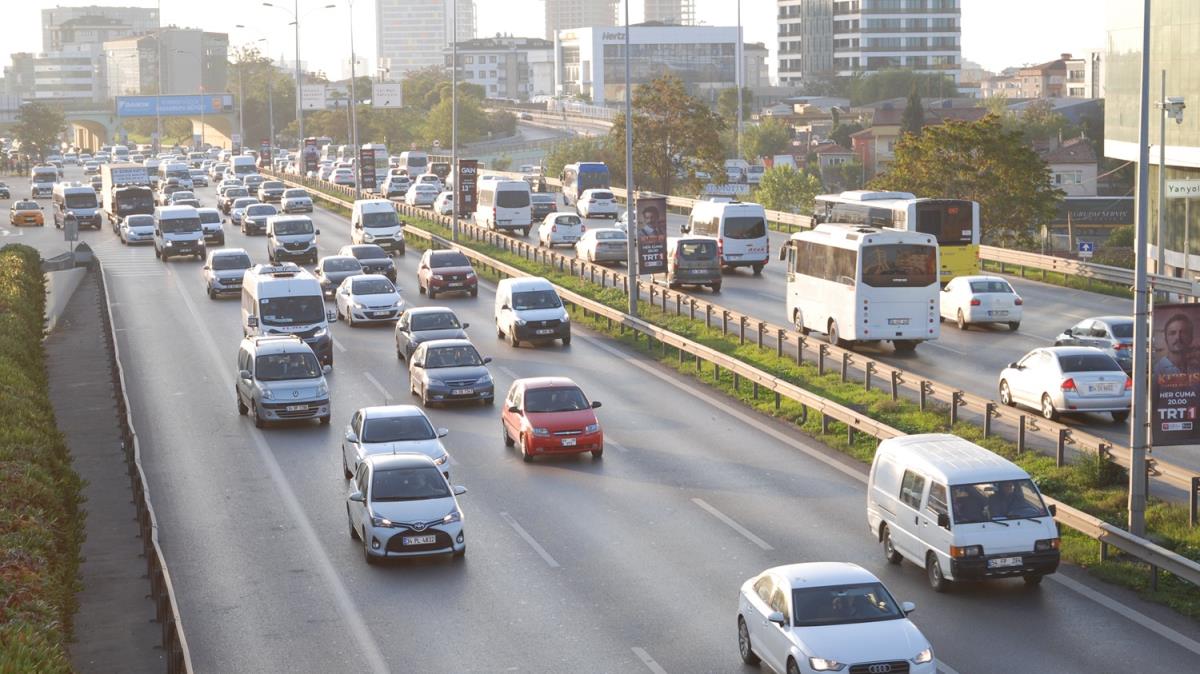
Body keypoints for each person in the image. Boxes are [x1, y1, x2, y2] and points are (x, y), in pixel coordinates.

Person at [1154, 312, 1196, 376]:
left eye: (1183, 332)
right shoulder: (1157, 370)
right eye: (1172, 333)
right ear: (1166, 338)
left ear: (1191, 337)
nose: (1178, 337)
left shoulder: (1196, 369)